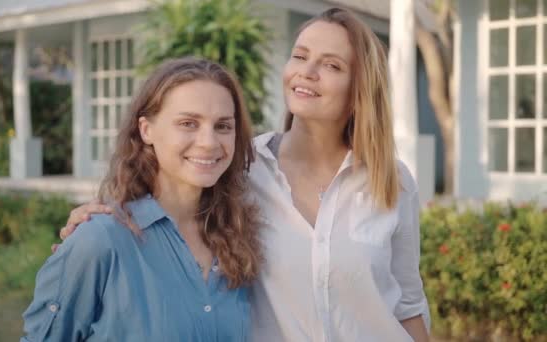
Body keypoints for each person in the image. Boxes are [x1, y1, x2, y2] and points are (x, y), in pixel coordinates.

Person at [57, 7, 431, 342]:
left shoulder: (392, 181)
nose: (307, 72)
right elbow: (168, 209)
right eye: (300, 56)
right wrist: (97, 220)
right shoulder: (240, 171)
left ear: (360, 88)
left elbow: (408, 306)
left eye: (332, 65)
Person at [21, 57, 262, 341]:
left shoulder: (239, 237)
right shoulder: (100, 240)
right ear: (147, 130)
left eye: (223, 126)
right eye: (188, 123)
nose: (208, 142)